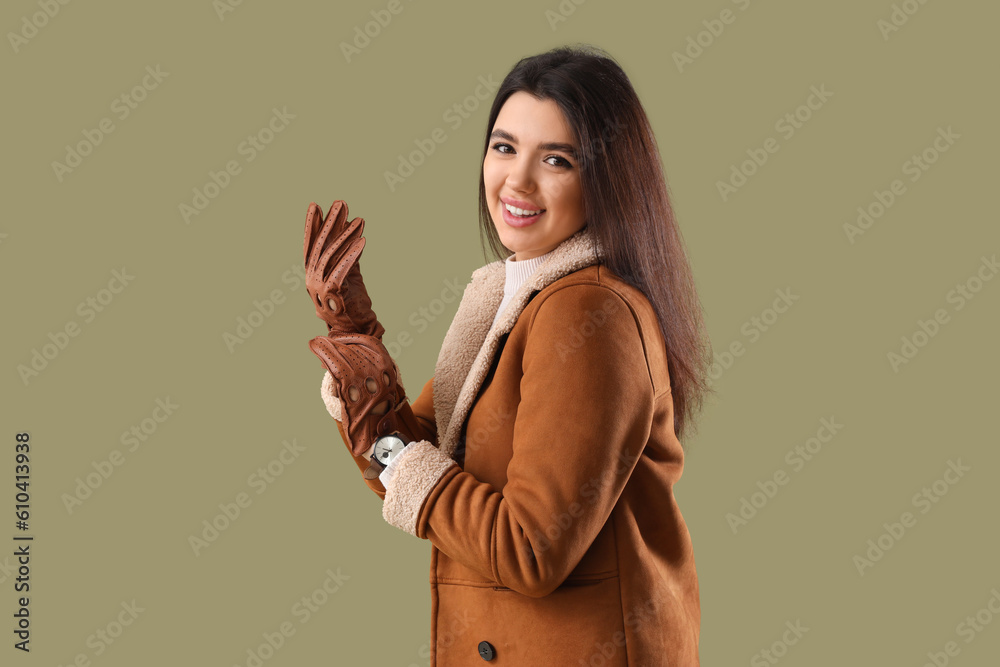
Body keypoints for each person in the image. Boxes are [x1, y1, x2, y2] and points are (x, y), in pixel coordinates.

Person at [302, 44, 712, 666]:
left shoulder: (587, 314)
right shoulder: (513, 298)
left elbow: (529, 548)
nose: (517, 182)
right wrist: (356, 340)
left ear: (606, 178)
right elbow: (415, 470)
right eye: (504, 146)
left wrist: (401, 453)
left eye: (556, 159)